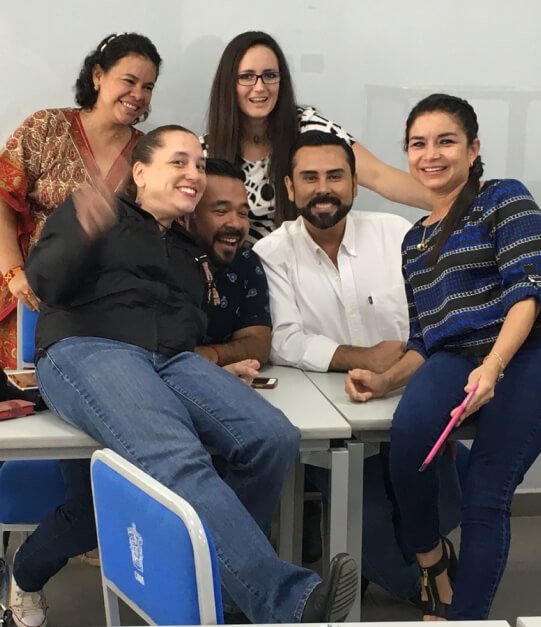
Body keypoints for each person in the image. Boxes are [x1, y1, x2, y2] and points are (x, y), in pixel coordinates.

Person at [18, 125, 358, 627]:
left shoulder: (187, 247)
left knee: (272, 437)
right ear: (140, 173)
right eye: (179, 161)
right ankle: (286, 601)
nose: (194, 173)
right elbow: (43, 282)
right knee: (177, 456)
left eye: (199, 164)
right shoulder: (95, 210)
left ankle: (230, 593)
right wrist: (83, 230)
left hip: (172, 360)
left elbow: (190, 327)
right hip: (88, 347)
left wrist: (216, 365)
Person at [345, 94, 541, 620]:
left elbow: (528, 292)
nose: (431, 154)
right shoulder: (414, 242)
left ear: (473, 149)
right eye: (418, 144)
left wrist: (493, 366)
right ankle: (432, 564)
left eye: (446, 141)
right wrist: (384, 381)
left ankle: (465, 617)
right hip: (456, 354)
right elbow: (424, 340)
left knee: (486, 490)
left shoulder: (504, 197)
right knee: (407, 440)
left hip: (536, 347)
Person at [254, 130, 463, 604]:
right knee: (368, 536)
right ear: (289, 187)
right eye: (309, 177)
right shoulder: (271, 254)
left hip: (411, 403)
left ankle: (427, 563)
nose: (323, 188)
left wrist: (413, 372)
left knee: (449, 499)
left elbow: (437, 316)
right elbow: (284, 340)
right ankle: (429, 586)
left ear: (354, 183)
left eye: (335, 176)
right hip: (340, 420)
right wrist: (362, 357)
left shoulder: (398, 234)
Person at [0, 32, 161, 370]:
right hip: (30, 297)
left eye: (147, 87)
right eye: (129, 81)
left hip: (104, 315)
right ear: (98, 75)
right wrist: (14, 273)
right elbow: (2, 198)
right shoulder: (46, 128)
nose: (138, 95)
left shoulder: (148, 153)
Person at [203, 30, 432, 243]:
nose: (260, 87)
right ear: (228, 83)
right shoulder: (205, 152)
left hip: (301, 261)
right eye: (247, 76)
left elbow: (378, 175)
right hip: (233, 268)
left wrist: (447, 206)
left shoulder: (309, 127)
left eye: (270, 75)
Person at [190, 157, 271, 374]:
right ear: (189, 214)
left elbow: (259, 344)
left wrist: (211, 355)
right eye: (221, 211)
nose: (235, 223)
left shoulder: (246, 262)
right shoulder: (162, 258)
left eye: (243, 213)